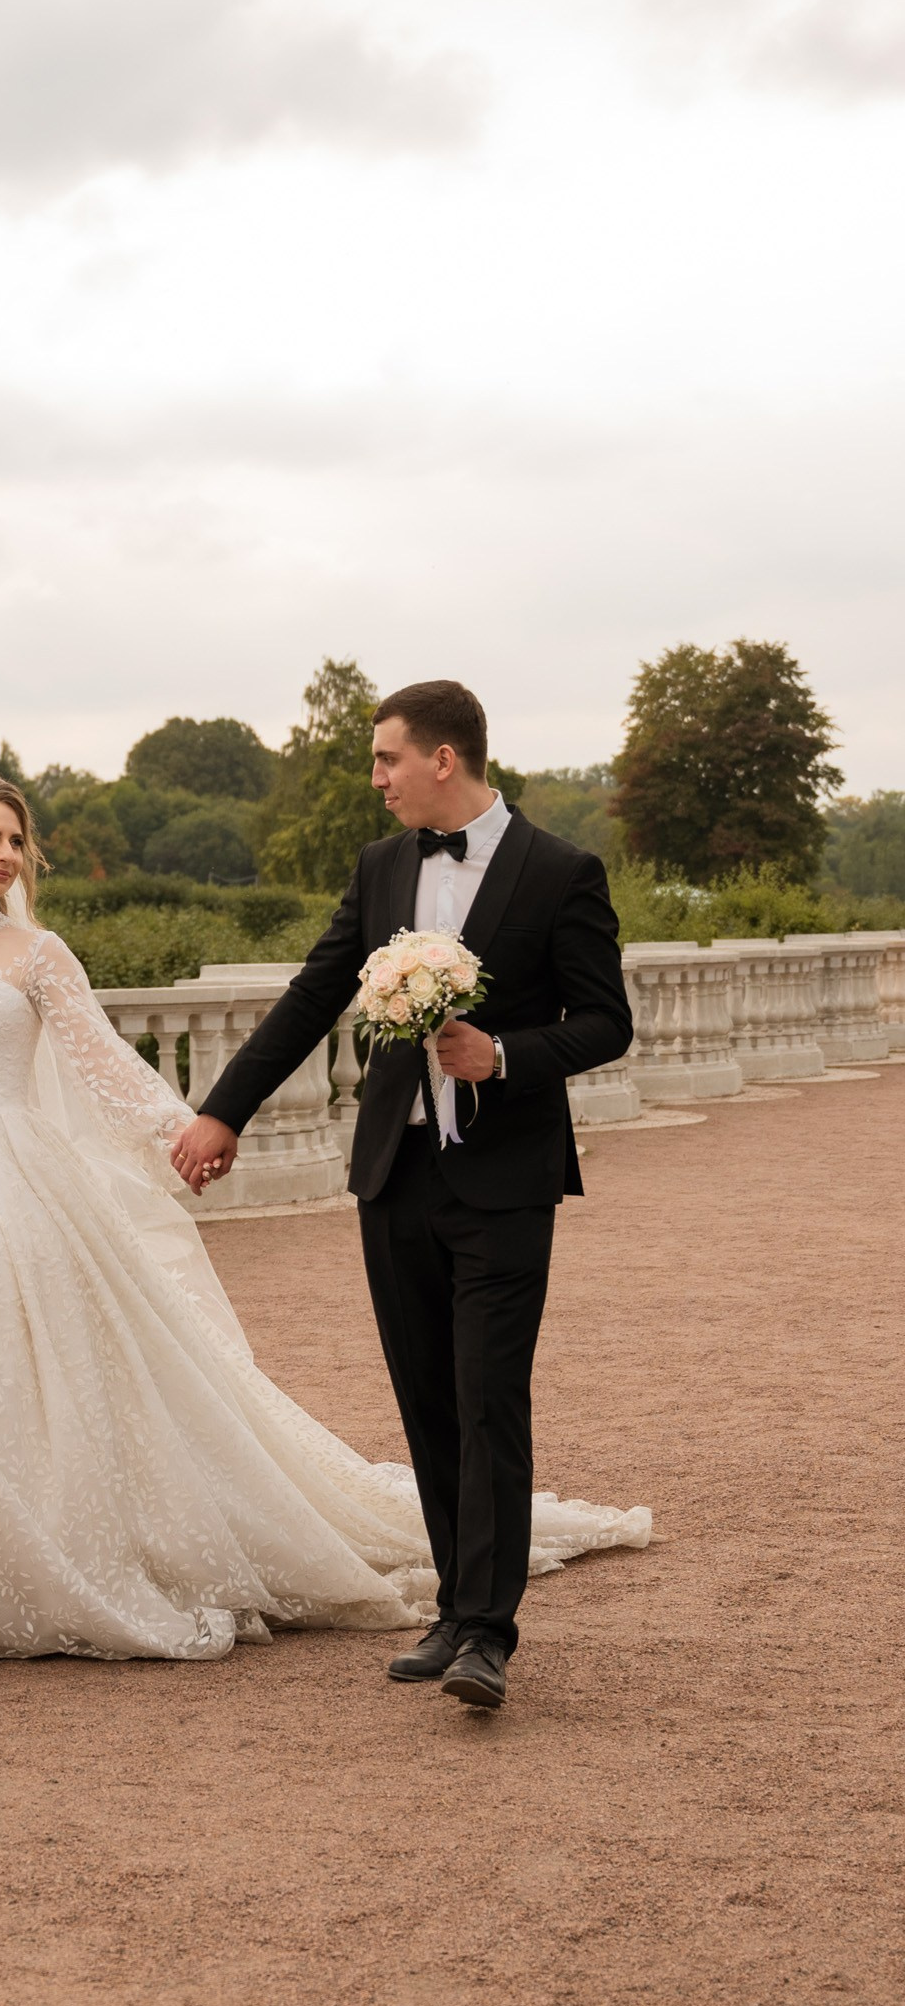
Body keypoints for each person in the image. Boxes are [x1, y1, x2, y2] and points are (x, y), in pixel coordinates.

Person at [0, 767, 647, 1674]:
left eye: (17, 837)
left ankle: (42, 1547)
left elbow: (99, 1061)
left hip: (18, 1174)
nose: (7, 852)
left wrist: (189, 1129)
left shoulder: (37, 956)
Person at [173, 679, 635, 1711]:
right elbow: (312, 992)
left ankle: (486, 1632)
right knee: (425, 1395)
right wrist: (222, 1111)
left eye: (385, 759)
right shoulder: (383, 867)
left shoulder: (560, 870)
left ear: (442, 757)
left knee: (486, 1395)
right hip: (393, 1171)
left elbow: (605, 1022)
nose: (375, 779)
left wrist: (501, 1053)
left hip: (504, 1177)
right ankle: (448, 1605)